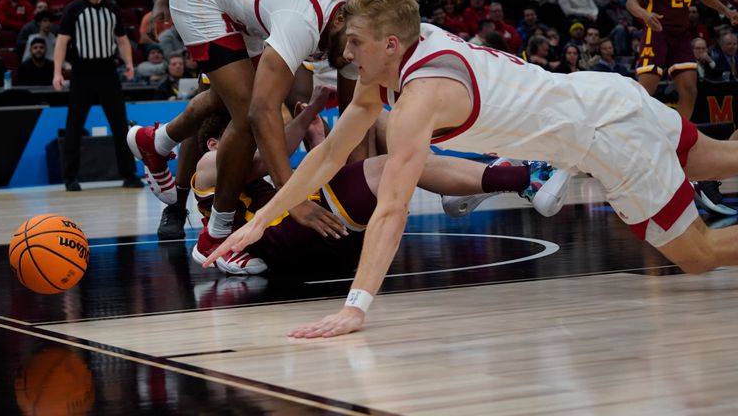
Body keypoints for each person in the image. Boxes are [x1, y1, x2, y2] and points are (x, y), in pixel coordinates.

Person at [206, 0, 738, 339]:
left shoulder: (422, 98)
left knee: (695, 255)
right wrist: (257, 221)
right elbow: (328, 154)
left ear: (390, 44)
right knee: (715, 160)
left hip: (607, 136)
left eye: (355, 45)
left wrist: (356, 306)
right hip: (607, 97)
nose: (347, 56)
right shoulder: (405, 51)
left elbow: (393, 208)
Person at [195, 89, 569, 274]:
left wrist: (315, 135)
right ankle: (523, 177)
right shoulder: (209, 165)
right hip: (287, 235)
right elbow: (261, 161)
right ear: (215, 143)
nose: (271, 135)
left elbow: (321, 170)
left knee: (370, 116)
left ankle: (475, 182)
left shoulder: (249, 180)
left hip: (312, 233)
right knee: (396, 162)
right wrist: (308, 114)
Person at [127, 0, 357, 255]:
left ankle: (155, 140)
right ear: (340, 23)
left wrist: (356, 184)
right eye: (350, 48)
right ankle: (216, 236)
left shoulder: (353, 21)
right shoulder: (304, 21)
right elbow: (262, 112)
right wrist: (292, 199)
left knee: (227, 97)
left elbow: (353, 113)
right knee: (247, 112)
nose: (351, 55)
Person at [53, 0, 143, 191]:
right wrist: (57, 73)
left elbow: (122, 40)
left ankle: (129, 175)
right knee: (74, 126)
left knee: (120, 125)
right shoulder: (73, 10)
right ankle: (70, 178)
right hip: (82, 72)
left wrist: (129, 64)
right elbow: (62, 41)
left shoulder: (112, 8)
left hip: (108, 72)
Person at [627, 0, 738, 120]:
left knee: (689, 90)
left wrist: (726, 11)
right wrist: (645, 14)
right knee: (645, 91)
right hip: (657, 32)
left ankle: (679, 137)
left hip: (681, 34)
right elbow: (632, 1)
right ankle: (631, 132)